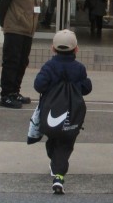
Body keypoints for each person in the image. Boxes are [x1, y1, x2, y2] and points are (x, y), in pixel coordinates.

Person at [34, 30, 92, 194]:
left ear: (53, 48)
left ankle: (57, 170)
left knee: (53, 138)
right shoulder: (79, 68)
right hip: (71, 114)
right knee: (65, 144)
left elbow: (39, 85)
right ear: (76, 49)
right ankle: (58, 173)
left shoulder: (49, 66)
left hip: (50, 113)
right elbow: (86, 88)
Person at [0, 0, 42, 109]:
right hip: (15, 29)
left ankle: (15, 92)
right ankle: (6, 95)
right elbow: (2, 3)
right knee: (12, 62)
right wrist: (4, 23)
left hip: (27, 30)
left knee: (22, 62)